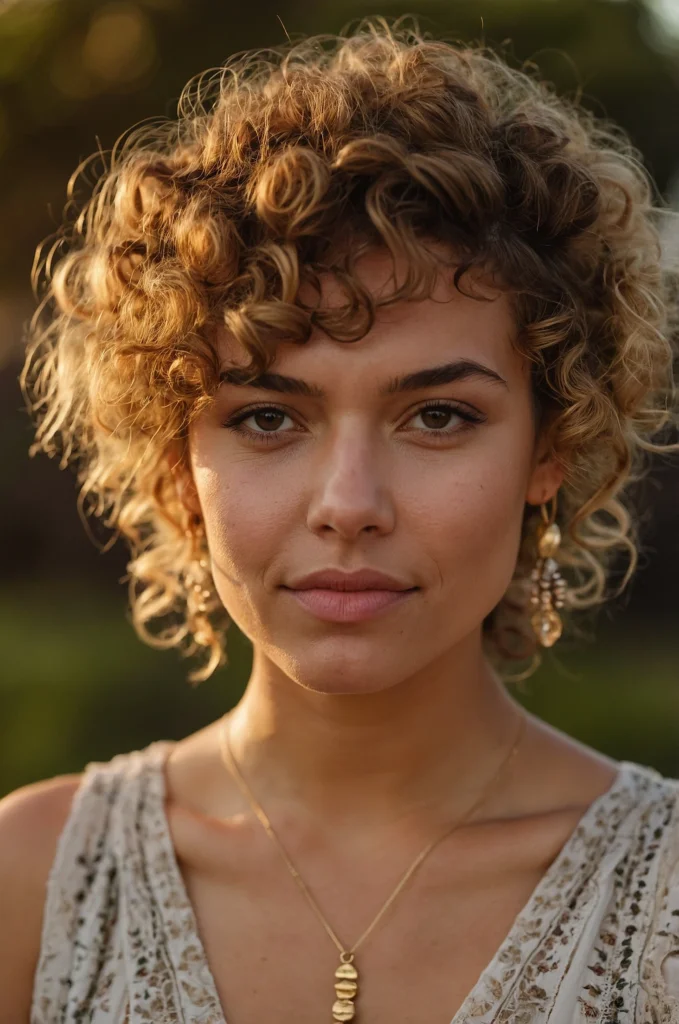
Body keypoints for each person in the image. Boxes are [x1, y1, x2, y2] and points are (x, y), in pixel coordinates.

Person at [2, 17, 679, 1024]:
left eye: (438, 416)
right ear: (178, 467)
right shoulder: (29, 884)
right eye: (268, 418)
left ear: (550, 450)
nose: (349, 505)